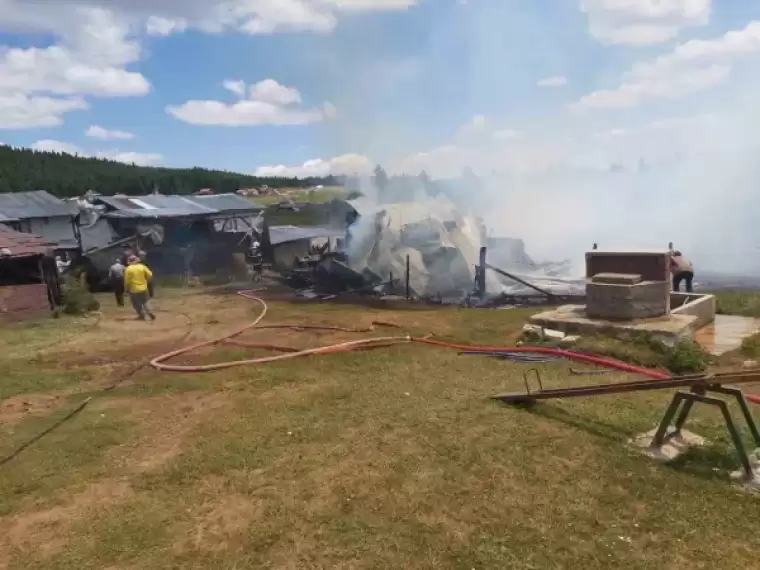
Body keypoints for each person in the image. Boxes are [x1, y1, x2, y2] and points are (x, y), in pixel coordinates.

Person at [124, 255, 156, 320]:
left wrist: (126, 289)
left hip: (134, 289)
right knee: (146, 301)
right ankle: (150, 313)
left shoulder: (128, 269)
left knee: (136, 304)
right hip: (144, 288)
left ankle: (141, 316)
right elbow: (150, 275)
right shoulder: (142, 266)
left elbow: (127, 281)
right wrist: (147, 281)